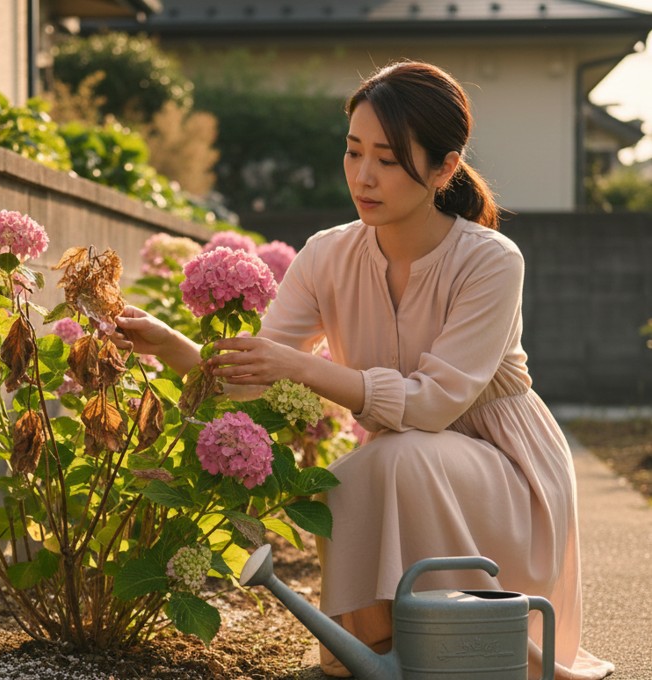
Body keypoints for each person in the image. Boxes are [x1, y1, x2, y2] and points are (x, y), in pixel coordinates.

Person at [113, 60, 613, 679]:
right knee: (363, 471)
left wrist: (305, 368)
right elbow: (257, 373)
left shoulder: (490, 260)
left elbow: (432, 406)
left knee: (390, 458)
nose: (363, 176)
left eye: (388, 158)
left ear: (443, 168)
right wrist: (171, 346)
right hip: (402, 467)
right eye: (353, 152)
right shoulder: (328, 254)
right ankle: (380, 649)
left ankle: (470, 642)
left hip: (507, 471)